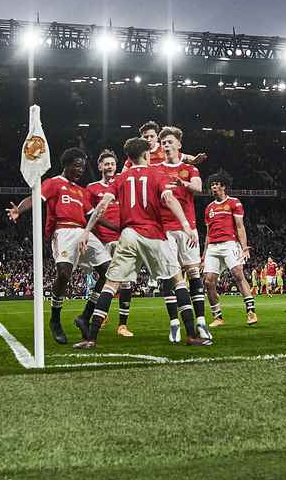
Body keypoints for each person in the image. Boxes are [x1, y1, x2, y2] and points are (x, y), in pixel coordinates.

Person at [72, 136, 206, 349]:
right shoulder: (157, 174)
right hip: (154, 234)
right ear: (146, 155)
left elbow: (102, 206)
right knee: (178, 280)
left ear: (128, 157)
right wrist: (186, 226)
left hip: (128, 235)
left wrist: (86, 231)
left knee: (111, 284)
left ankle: (91, 338)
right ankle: (191, 334)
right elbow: (169, 200)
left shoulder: (120, 178)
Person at [5, 147, 107, 345]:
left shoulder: (82, 191)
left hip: (84, 232)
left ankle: (85, 316)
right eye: (77, 166)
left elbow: (94, 218)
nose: (80, 170)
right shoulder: (54, 183)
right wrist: (19, 209)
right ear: (67, 165)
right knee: (64, 274)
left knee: (109, 272)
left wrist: (121, 227)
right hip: (63, 231)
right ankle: (55, 319)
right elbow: (35, 198)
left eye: (83, 167)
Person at [155, 128, 210, 341]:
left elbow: (198, 187)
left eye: (169, 142)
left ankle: (202, 322)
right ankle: (174, 324)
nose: (166, 145)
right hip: (165, 230)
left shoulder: (189, 169)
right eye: (163, 143)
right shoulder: (156, 169)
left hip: (188, 229)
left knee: (194, 274)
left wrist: (183, 184)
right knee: (171, 276)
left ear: (179, 145)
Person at [82, 150, 130, 336]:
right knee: (106, 281)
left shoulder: (122, 183)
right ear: (100, 166)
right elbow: (90, 214)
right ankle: (100, 315)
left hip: (122, 239)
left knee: (125, 283)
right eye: (106, 164)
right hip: (102, 241)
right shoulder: (92, 188)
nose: (109, 167)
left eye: (112, 163)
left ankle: (122, 325)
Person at [200, 171, 256, 326]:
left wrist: (244, 247)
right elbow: (207, 234)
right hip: (212, 247)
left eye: (216, 184)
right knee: (209, 282)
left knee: (238, 274)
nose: (213, 187)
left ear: (223, 186)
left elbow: (240, 226)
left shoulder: (234, 203)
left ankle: (251, 312)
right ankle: (218, 317)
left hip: (229, 244)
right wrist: (203, 256)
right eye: (211, 185)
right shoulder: (208, 208)